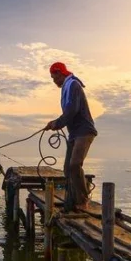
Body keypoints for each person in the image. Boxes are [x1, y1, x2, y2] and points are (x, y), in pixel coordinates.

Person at [44, 62, 97, 212]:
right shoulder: (66, 88)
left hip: (84, 132)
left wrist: (56, 123)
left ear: (60, 73)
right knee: (67, 169)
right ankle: (73, 201)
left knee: (74, 165)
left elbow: (72, 111)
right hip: (74, 133)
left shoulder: (73, 85)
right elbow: (68, 113)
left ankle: (83, 199)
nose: (54, 82)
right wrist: (55, 123)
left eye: (55, 78)